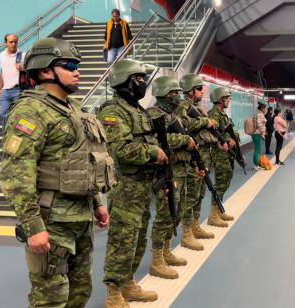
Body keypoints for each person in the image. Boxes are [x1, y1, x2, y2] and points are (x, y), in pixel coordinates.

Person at [0, 38, 113, 308]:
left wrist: (98, 203)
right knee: (51, 299)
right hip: (52, 221)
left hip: (81, 217)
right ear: (45, 71)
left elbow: (86, 160)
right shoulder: (30, 110)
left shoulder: (75, 110)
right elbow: (16, 173)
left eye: (78, 65)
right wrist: (33, 227)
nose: (77, 71)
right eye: (70, 65)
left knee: (80, 291)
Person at [98, 59, 167, 307]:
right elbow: (119, 150)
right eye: (139, 79)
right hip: (125, 186)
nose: (143, 83)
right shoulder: (112, 112)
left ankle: (128, 283)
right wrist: (153, 153)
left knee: (138, 239)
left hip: (144, 186)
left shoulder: (139, 110)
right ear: (125, 82)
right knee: (122, 240)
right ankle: (114, 293)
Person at [147, 76, 197, 279]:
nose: (178, 96)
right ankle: (157, 259)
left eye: (178, 93)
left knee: (176, 212)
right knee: (164, 214)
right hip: (165, 171)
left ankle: (166, 250)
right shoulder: (153, 114)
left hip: (181, 167)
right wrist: (184, 139)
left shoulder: (174, 115)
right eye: (174, 93)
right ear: (164, 94)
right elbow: (157, 139)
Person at [179, 74, 233, 233]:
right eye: (199, 89)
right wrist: (205, 121)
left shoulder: (197, 108)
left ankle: (195, 226)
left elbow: (205, 130)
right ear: (189, 91)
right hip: (192, 158)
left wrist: (216, 138)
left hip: (203, 156)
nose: (203, 92)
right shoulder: (184, 106)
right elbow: (185, 125)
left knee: (200, 193)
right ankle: (187, 232)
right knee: (191, 195)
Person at [208, 87, 238, 227]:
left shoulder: (222, 114)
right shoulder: (214, 114)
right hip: (219, 153)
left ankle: (219, 210)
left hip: (225, 153)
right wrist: (226, 140)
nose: (228, 101)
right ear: (220, 99)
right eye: (227, 98)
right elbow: (212, 133)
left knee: (226, 179)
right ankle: (213, 215)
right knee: (220, 182)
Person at [0, 33, 25, 130]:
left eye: (15, 42)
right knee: (3, 114)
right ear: (5, 43)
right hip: (5, 91)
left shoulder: (22, 55)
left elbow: (31, 71)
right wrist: (0, 88)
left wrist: (23, 68)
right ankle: (6, 137)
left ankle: (20, 138)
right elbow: (2, 72)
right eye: (11, 42)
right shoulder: (1, 56)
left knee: (20, 115)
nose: (13, 44)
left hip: (18, 90)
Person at [251, 103, 267, 170]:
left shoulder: (257, 114)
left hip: (257, 133)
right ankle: (255, 165)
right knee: (257, 150)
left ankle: (256, 164)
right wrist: (262, 132)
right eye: (266, 108)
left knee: (257, 150)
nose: (266, 110)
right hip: (257, 134)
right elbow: (259, 124)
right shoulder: (259, 114)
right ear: (262, 108)